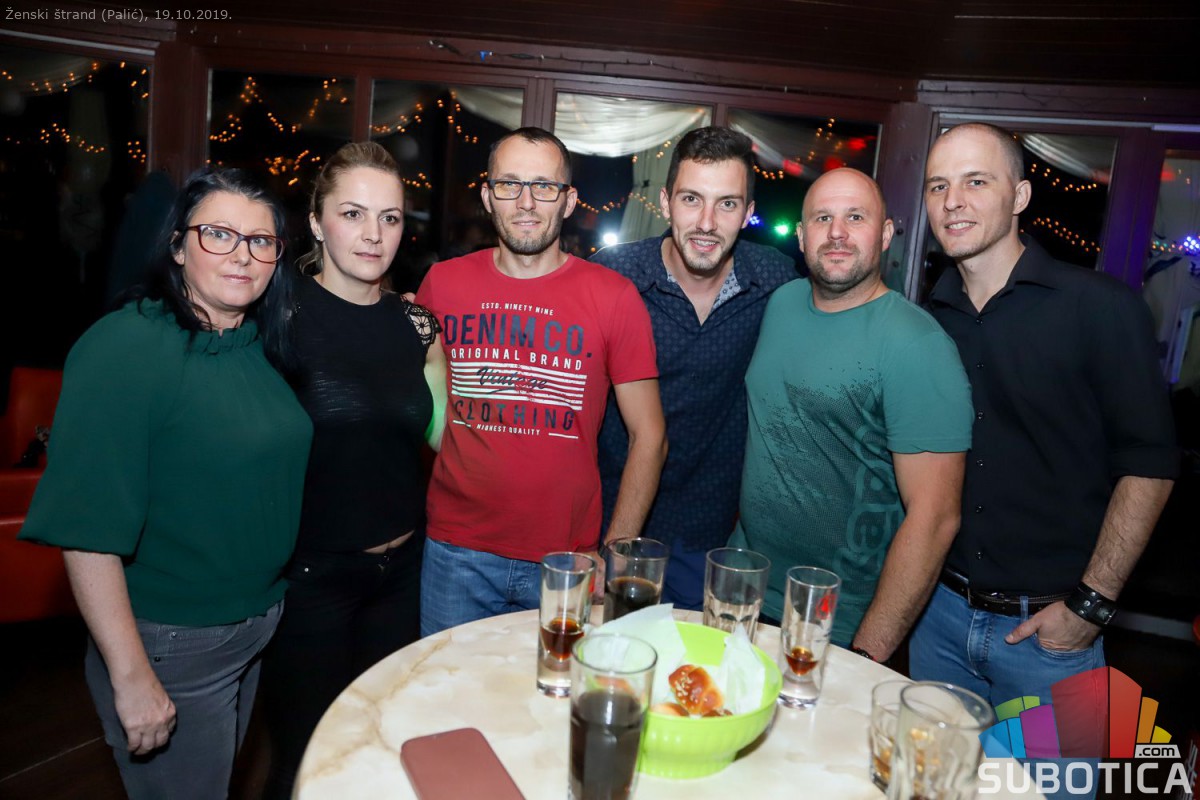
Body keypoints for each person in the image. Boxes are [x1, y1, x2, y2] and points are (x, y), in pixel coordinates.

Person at [18, 168, 312, 799]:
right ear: (177, 245)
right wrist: (130, 677)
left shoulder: (255, 342)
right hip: (174, 641)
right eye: (219, 234)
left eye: (261, 241)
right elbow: (87, 531)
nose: (242, 255)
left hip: (251, 624)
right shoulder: (127, 347)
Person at [910, 123, 1179, 704]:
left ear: (1020, 197)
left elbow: (1151, 467)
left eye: (975, 181)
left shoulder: (1099, 308)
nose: (952, 201)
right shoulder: (929, 319)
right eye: (938, 185)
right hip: (937, 616)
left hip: (1048, 637)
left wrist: (1091, 607)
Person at [415, 127, 667, 634]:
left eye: (544, 186)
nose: (526, 202)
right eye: (509, 184)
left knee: (557, 688)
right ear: (488, 195)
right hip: (456, 553)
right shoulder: (442, 284)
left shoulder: (614, 297)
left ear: (568, 200)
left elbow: (651, 436)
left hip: (567, 563)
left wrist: (614, 551)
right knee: (445, 686)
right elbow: (420, 399)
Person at [260, 142, 447, 799]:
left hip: (401, 576)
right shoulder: (276, 315)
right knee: (305, 759)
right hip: (312, 579)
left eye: (389, 218)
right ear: (316, 221)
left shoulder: (418, 326)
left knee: (382, 750)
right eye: (353, 214)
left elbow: (443, 436)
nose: (373, 234)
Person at [730, 167, 973, 661]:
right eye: (823, 218)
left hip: (839, 622)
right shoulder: (783, 303)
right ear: (802, 236)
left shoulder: (916, 344)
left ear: (885, 235)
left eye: (856, 217)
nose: (837, 232)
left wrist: (868, 653)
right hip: (744, 591)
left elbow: (935, 518)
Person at [592, 127, 796, 609]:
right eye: (691, 199)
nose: (706, 222)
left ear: (747, 212)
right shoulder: (613, 276)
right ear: (665, 202)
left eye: (726, 204)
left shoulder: (775, 281)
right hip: (611, 522)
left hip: (714, 537)